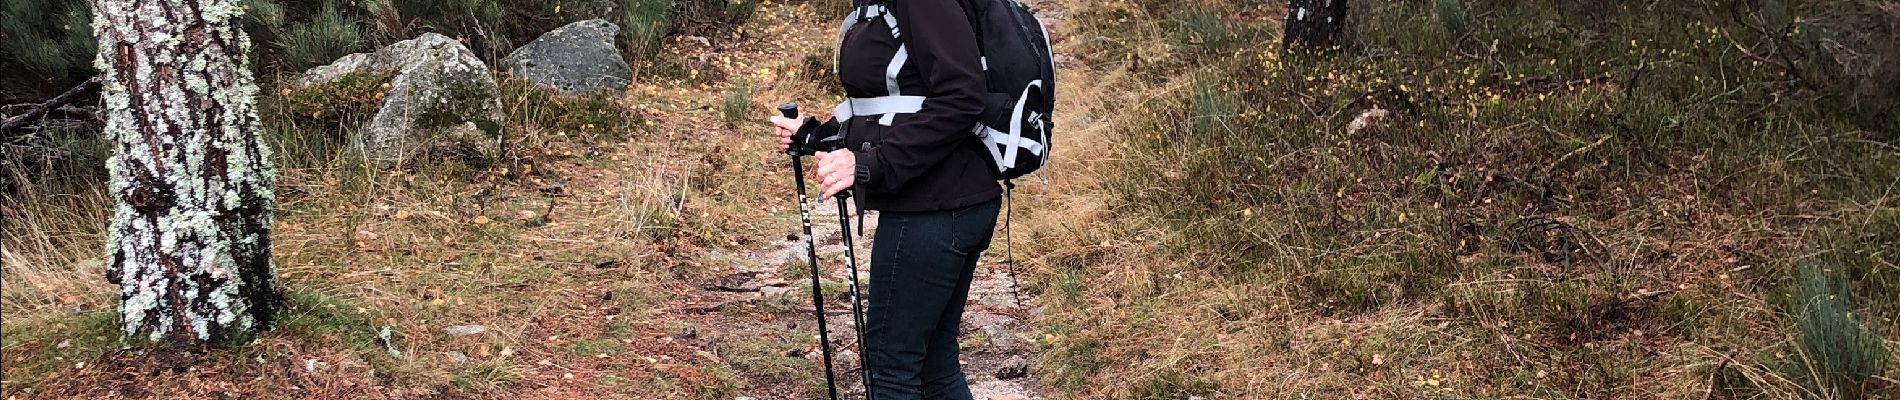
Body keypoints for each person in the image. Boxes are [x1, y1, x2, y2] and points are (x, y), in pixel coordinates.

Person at [768, 0, 1000, 398]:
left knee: (892, 366)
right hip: (948, 202)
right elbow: (895, 105)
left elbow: (962, 96)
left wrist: (873, 164)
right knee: (933, 364)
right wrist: (816, 136)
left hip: (933, 209)